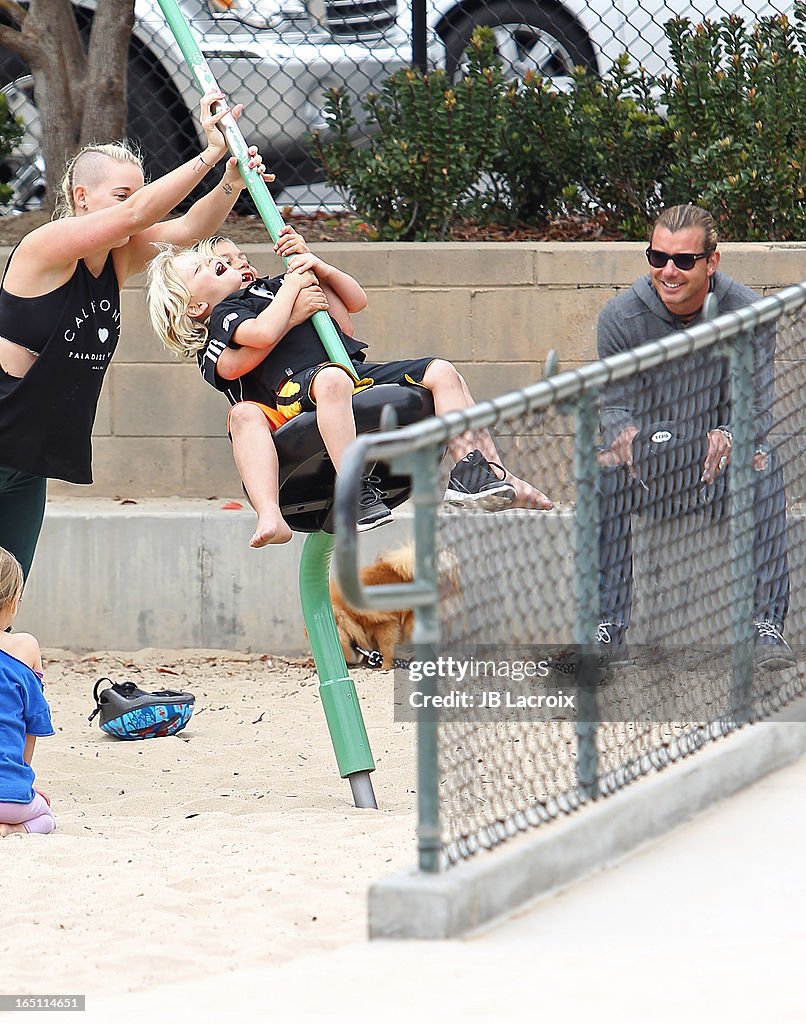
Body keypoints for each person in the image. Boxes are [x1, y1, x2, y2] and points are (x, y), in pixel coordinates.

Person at [0, 90, 272, 580]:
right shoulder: (45, 247)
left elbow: (189, 227)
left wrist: (230, 181)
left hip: (26, 459)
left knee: (8, 592)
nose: (139, 204)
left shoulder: (119, 257)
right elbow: (135, 216)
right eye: (124, 193)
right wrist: (210, 152)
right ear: (82, 199)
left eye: (140, 191)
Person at [146, 227, 553, 545]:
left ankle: (479, 472)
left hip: (346, 373)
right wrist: (291, 296)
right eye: (213, 264)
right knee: (325, 382)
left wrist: (315, 265)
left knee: (443, 372)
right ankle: (351, 487)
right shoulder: (229, 313)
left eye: (239, 257)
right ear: (197, 306)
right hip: (295, 393)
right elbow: (259, 338)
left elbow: (349, 312)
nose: (236, 263)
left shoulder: (272, 287)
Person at [594, 203, 792, 670]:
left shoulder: (747, 311)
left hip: (718, 471)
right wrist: (623, 436)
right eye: (657, 257)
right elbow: (615, 405)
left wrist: (728, 433)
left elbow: (758, 405)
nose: (668, 271)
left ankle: (765, 627)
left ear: (712, 262)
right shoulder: (620, 318)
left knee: (763, 459)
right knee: (598, 466)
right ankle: (606, 628)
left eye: (683, 261)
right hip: (650, 469)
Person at [0, 546, 55, 836]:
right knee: (46, 816)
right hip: (10, 796)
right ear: (12, 602)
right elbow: (33, 725)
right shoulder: (25, 646)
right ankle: (12, 830)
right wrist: (21, 782)